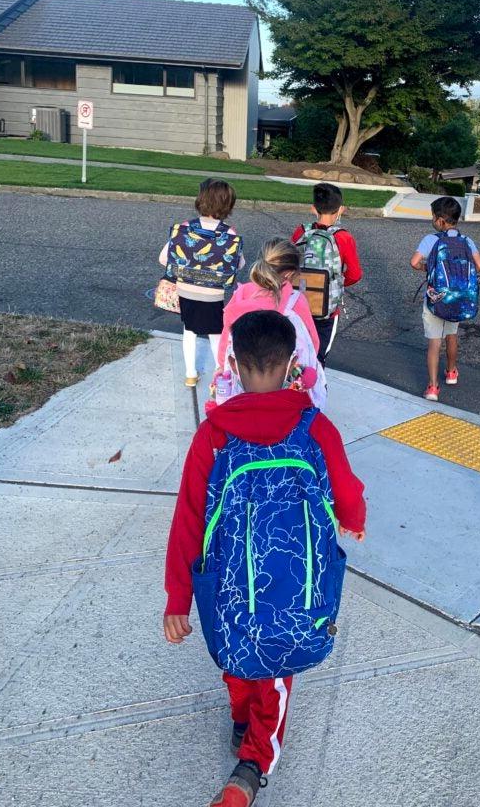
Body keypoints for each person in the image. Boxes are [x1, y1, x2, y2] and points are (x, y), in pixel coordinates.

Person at [164, 310, 366, 807]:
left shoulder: (212, 436)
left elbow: (189, 519)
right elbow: (347, 492)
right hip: (295, 588)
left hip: (228, 587)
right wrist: (353, 518)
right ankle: (250, 769)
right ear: (292, 363)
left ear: (233, 361)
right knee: (275, 671)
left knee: (234, 655)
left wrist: (177, 597)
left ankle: (241, 724)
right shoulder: (315, 429)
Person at [158, 179, 243, 387]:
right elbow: (239, 264)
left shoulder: (185, 228)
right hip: (213, 293)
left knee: (189, 331)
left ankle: (190, 374)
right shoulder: (229, 233)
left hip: (185, 290)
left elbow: (163, 258)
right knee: (216, 334)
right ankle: (219, 372)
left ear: (200, 200)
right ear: (228, 206)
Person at [214, 238, 321, 399]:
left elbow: (225, 340)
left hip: (244, 377)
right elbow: (313, 343)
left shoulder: (242, 294)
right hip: (284, 379)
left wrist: (221, 367)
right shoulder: (295, 301)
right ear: (291, 273)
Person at [410, 196, 480, 401]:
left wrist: (428, 268)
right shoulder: (466, 241)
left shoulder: (431, 240)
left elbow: (414, 262)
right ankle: (451, 372)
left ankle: (433, 387)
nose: (432, 220)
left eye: (434, 217)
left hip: (436, 298)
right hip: (458, 297)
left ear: (441, 220)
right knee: (452, 335)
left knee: (434, 342)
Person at [291, 182, 362, 365]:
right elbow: (355, 274)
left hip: (299, 303)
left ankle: (295, 388)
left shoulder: (301, 231)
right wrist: (333, 284)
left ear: (313, 209)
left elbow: (289, 265)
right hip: (327, 309)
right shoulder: (344, 237)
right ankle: (314, 388)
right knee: (318, 356)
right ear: (341, 210)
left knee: (296, 352)